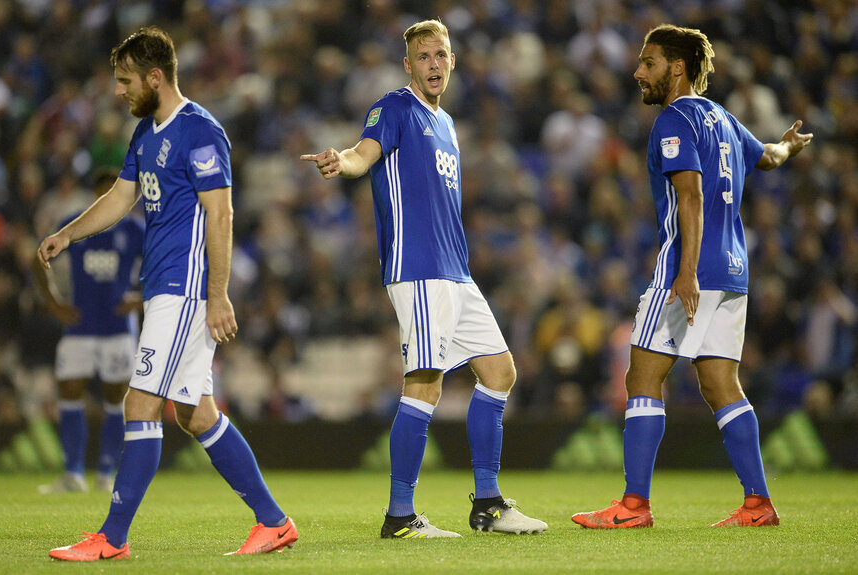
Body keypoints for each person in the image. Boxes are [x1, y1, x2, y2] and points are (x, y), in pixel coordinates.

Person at [40, 27, 297, 560]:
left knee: (141, 402)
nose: (119, 91)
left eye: (126, 80)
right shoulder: (147, 133)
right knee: (196, 413)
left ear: (155, 77)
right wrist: (69, 233)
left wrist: (218, 293)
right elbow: (120, 197)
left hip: (184, 290)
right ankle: (274, 522)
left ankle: (111, 538)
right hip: (163, 287)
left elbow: (220, 212)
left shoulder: (200, 131)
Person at [301, 19, 547, 538]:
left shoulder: (448, 123)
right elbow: (362, 154)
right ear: (408, 65)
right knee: (424, 386)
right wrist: (338, 161)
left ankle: (488, 506)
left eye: (442, 55)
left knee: (500, 373)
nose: (434, 64)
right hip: (418, 270)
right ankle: (400, 515)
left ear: (453, 61)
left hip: (456, 272)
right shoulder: (394, 107)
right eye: (424, 57)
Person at [571, 24, 813, 529]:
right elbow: (767, 157)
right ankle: (758, 504)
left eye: (650, 63)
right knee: (721, 383)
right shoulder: (722, 118)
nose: (639, 72)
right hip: (735, 271)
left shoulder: (674, 120)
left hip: (693, 270)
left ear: (677, 68)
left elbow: (691, 195)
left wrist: (684, 274)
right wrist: (789, 145)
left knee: (642, 375)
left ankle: (633, 507)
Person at [35, 167, 143, 495]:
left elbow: (165, 264)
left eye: (115, 192)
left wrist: (140, 299)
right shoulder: (75, 225)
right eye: (104, 193)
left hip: (118, 328)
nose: (109, 198)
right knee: (69, 391)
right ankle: (73, 474)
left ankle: (105, 473)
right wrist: (54, 303)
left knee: (115, 398)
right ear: (95, 196)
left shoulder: (135, 229)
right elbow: (38, 258)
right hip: (80, 325)